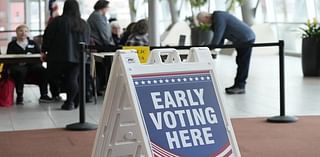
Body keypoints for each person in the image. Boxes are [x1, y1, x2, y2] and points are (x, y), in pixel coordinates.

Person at [41, 0, 90, 110]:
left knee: (55, 77)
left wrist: (44, 50)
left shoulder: (57, 21)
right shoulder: (83, 24)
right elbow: (87, 41)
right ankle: (70, 101)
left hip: (58, 56)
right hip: (78, 57)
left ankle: (64, 97)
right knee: (72, 78)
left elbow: (47, 37)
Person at [197, 11, 256, 94]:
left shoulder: (218, 17)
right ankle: (238, 85)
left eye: (203, 22)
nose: (204, 24)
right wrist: (210, 49)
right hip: (240, 40)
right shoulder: (216, 21)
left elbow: (218, 35)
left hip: (246, 38)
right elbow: (220, 40)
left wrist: (208, 48)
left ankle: (240, 86)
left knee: (243, 63)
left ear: (206, 17)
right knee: (240, 62)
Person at [6, 24, 53, 105]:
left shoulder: (33, 43)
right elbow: (9, 58)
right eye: (21, 31)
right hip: (18, 67)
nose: (23, 33)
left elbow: (39, 56)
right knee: (20, 71)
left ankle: (44, 95)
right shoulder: (12, 44)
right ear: (16, 32)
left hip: (32, 66)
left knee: (43, 71)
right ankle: (20, 96)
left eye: (25, 31)